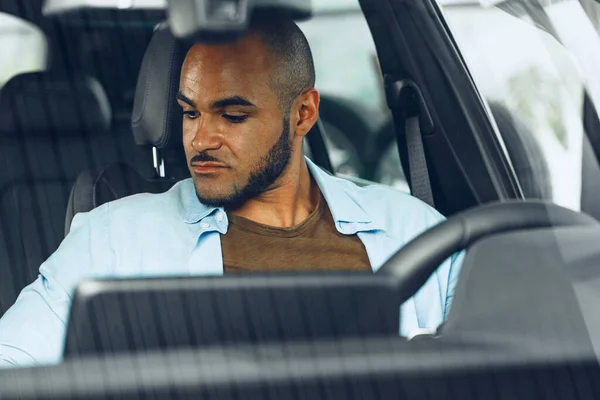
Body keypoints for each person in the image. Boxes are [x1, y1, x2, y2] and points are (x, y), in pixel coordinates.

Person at [0, 18, 463, 368]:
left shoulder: (416, 232)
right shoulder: (112, 239)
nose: (200, 140)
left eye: (232, 116)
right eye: (189, 113)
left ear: (303, 113)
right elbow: (12, 367)